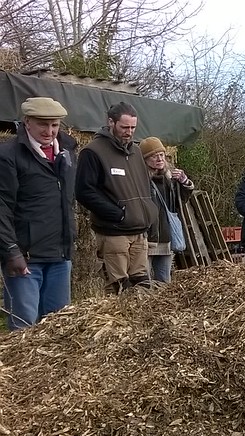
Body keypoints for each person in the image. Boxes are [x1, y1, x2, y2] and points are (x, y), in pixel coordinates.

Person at [0, 97, 77, 330]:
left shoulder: (68, 151)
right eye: (43, 124)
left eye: (54, 125)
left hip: (60, 254)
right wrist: (11, 251)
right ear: (27, 122)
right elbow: (2, 206)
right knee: (24, 327)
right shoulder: (9, 155)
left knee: (58, 326)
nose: (49, 131)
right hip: (26, 258)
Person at [75, 102, 158, 294]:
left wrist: (149, 212)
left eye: (133, 127)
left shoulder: (136, 151)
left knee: (142, 286)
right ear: (111, 122)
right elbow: (84, 192)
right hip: (114, 233)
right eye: (124, 127)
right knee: (119, 288)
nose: (129, 132)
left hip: (139, 232)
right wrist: (118, 214)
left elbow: (145, 187)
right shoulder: (93, 152)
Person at [140, 137, 195, 282]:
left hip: (165, 238)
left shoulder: (169, 179)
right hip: (146, 237)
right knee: (143, 282)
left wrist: (184, 182)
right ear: (145, 159)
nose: (159, 159)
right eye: (154, 156)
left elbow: (179, 202)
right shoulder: (140, 181)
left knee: (164, 282)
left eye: (161, 155)